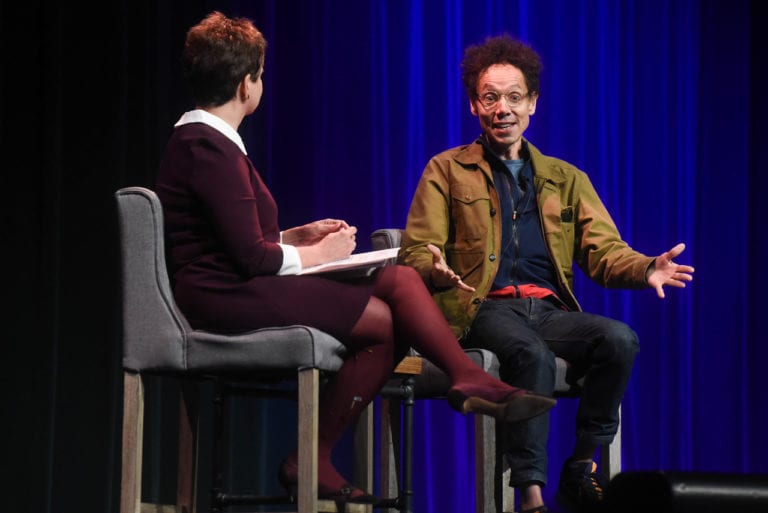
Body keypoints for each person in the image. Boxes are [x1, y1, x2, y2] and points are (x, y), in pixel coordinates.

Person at [155, 13, 555, 508]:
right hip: (223, 297)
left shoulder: (208, 144)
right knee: (393, 298)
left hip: (236, 284)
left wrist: (293, 236)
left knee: (394, 296)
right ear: (246, 85)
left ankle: (320, 453)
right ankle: (458, 380)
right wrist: (315, 254)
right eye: (260, 74)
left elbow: (235, 237)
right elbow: (249, 257)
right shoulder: (207, 146)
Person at [399, 34, 694, 513]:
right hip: (482, 307)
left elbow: (604, 252)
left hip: (549, 309)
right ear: (475, 104)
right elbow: (416, 249)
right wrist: (434, 268)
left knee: (620, 339)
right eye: (490, 97)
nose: (503, 109)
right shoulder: (447, 170)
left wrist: (646, 269)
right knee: (529, 354)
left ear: (532, 103)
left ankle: (579, 467)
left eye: (514, 97)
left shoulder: (565, 177)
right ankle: (530, 495)